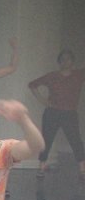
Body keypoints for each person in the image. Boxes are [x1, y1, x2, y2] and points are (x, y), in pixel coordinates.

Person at [28, 49, 85, 180]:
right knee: (47, 139)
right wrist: (43, 101)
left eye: (68, 59)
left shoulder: (78, 75)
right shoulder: (52, 76)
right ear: (59, 62)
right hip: (52, 113)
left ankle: (82, 168)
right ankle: (41, 166)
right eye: (63, 59)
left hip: (70, 113)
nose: (66, 62)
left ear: (73, 61)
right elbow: (32, 85)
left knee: (75, 140)